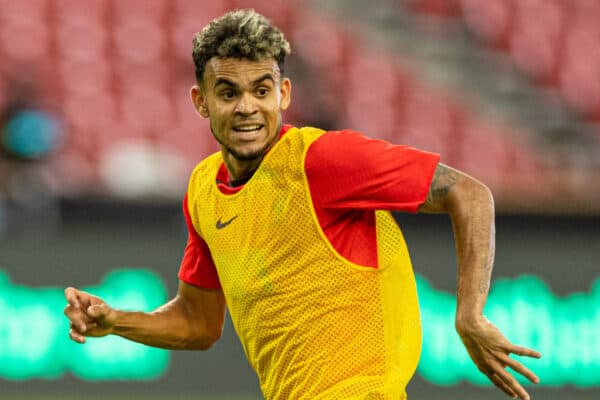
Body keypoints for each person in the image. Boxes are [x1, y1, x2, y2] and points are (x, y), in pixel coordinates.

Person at [63, 9, 541, 400]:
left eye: (262, 90)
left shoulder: (322, 160)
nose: (247, 106)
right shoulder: (203, 190)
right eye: (228, 92)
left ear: (284, 94)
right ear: (201, 101)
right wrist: (116, 322)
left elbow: (469, 193)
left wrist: (470, 313)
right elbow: (198, 322)